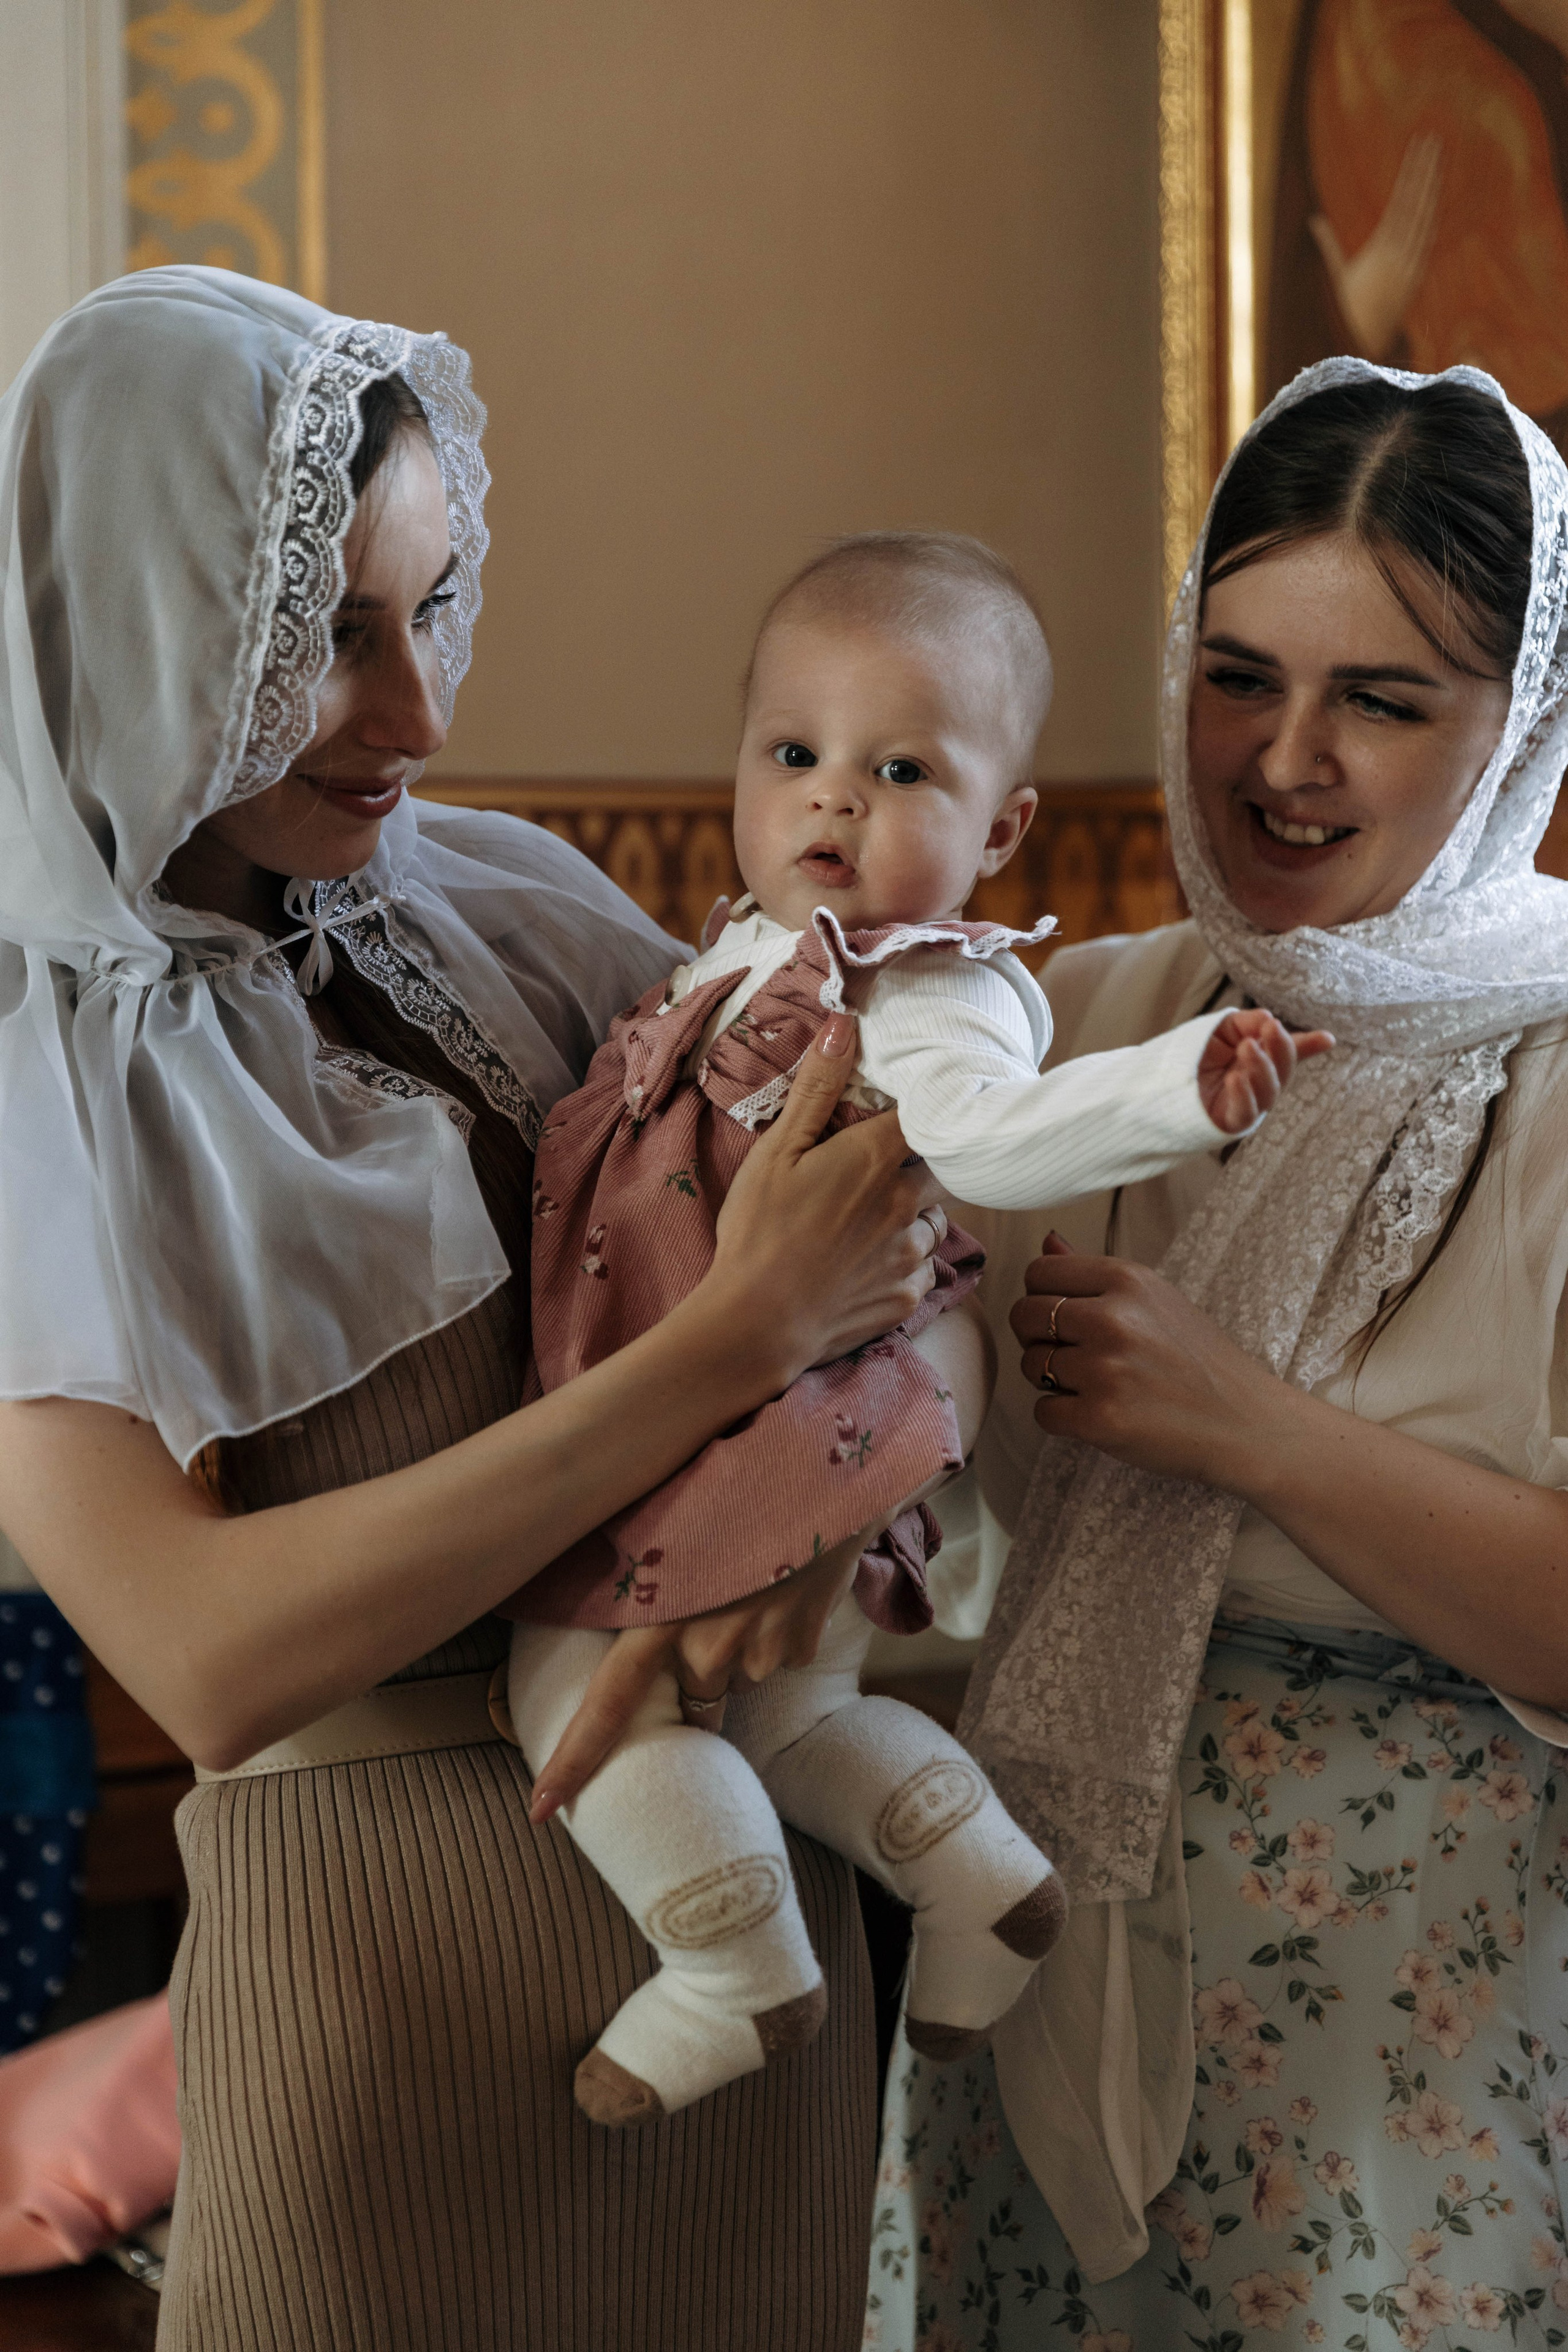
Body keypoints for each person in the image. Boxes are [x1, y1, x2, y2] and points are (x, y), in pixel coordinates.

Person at [0, 266, 976, 2352]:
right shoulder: (28, 1073)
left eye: (427, 608)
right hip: (375, 2007)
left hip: (754, 1963)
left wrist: (818, 1537)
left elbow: (883, 1233)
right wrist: (729, 1354)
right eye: (328, 635)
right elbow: (212, 1653)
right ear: (139, 614)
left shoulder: (516, 908)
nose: (420, 713)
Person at [870, 360, 1568, 2347]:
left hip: (1411, 2040)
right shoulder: (1065, 1024)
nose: (1284, 761)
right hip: (1022, 1966)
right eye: (1240, 673)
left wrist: (1246, 1427)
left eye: (1384, 700)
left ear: (1522, 732)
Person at [507, 532, 1327, 2131]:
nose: (833, 800)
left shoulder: (928, 987)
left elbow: (995, 1139)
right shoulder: (744, 953)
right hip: (764, 1407)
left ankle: (735, 1967)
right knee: (800, 1718)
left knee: (572, 1696)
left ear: (1003, 827)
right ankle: (978, 1880)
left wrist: (1178, 1083)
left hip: (774, 1423)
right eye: (795, 755)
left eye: (899, 770)